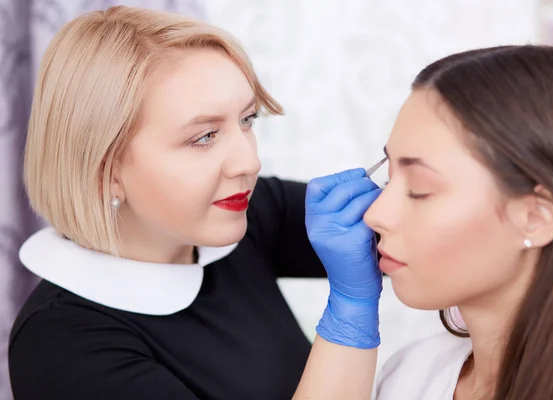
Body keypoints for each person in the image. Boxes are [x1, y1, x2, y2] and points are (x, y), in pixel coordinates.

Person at [8, 6, 327, 400]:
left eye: (247, 120)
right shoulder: (62, 346)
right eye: (204, 137)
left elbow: (408, 228)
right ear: (107, 171)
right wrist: (350, 316)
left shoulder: (244, 212)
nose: (250, 162)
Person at [294, 45, 553, 400]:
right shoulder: (411, 375)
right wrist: (348, 309)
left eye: (420, 189)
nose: (375, 215)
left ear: (535, 217)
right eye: (390, 179)